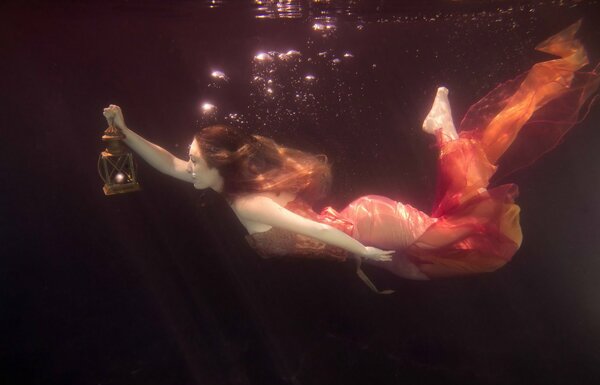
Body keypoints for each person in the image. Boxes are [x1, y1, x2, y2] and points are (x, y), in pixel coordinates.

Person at [103, 22, 599, 284]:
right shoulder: (230, 185)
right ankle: (443, 132)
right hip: (357, 234)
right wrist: (125, 133)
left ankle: (444, 130)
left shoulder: (248, 202)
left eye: (196, 162)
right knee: (422, 257)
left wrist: (362, 251)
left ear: (221, 167)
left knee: (477, 240)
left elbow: (317, 230)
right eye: (193, 162)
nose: (188, 168)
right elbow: (168, 164)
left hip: (364, 226)